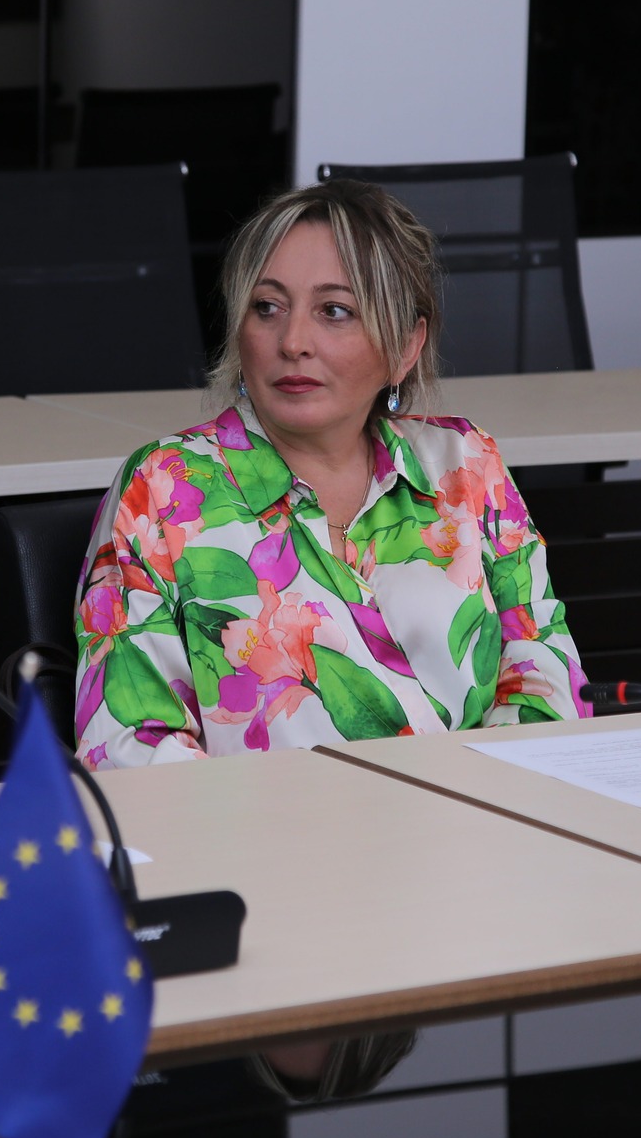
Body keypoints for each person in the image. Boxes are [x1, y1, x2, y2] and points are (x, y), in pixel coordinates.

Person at [72, 179, 588, 769]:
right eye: (267, 308)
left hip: (478, 819)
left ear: (406, 345)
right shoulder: (165, 488)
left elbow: (546, 675)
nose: (293, 341)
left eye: (334, 311)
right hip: (270, 827)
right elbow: (129, 746)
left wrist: (480, 803)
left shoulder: (464, 464)